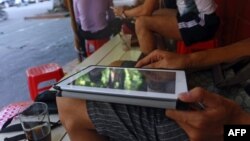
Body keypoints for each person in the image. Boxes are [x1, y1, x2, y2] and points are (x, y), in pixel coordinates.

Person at [56, 38, 250, 141]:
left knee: (69, 102)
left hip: (235, 120)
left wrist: (235, 127)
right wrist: (190, 60)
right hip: (224, 75)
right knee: (115, 67)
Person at [114, 0, 220, 55]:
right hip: (191, 16)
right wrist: (129, 11)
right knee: (153, 15)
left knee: (142, 23)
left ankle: (150, 69)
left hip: (202, 22)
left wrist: (123, 13)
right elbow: (149, 7)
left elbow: (146, 10)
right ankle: (163, 57)